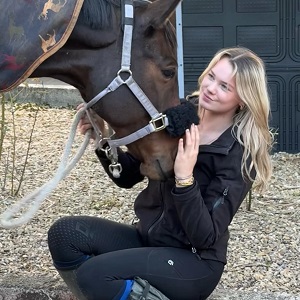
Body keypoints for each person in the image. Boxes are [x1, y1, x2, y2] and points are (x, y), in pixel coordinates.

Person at [47, 46, 274, 300]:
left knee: (94, 274)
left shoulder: (238, 153)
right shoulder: (179, 114)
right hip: (149, 240)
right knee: (64, 235)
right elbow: (127, 176)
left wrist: (185, 178)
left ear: (242, 98)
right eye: (212, 76)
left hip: (193, 262)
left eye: (225, 87)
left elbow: (205, 236)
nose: (210, 88)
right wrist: (103, 137)